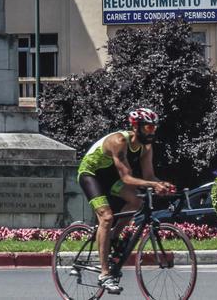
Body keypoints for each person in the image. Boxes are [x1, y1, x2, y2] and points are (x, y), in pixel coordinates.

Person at [77, 108, 175, 295]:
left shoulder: (146, 147)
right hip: (92, 175)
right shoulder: (119, 141)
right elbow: (127, 178)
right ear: (135, 126)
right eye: (147, 127)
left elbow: (149, 176)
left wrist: (162, 184)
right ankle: (104, 274)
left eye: (154, 128)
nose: (151, 132)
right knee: (106, 218)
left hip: (112, 179)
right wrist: (153, 185)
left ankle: (114, 237)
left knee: (136, 202)